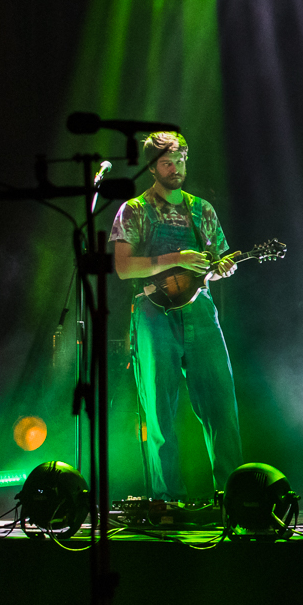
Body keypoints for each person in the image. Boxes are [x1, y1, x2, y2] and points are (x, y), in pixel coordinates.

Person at [109, 131, 244, 501]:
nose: (176, 168)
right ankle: (166, 501)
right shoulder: (134, 209)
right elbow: (122, 268)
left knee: (221, 404)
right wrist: (173, 259)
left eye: (181, 161)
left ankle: (233, 496)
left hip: (200, 310)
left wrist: (223, 268)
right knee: (160, 412)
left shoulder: (202, 209)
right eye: (168, 163)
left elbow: (214, 265)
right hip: (154, 313)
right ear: (152, 167)